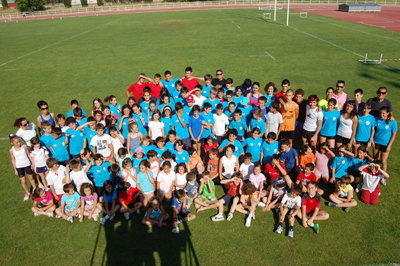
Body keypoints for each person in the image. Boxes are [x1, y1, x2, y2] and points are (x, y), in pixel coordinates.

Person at [9, 134, 36, 201]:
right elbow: (13, 159)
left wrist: (32, 163)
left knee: (31, 178)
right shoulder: (11, 150)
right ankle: (27, 192)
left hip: (27, 164)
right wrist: (15, 169)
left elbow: (29, 154)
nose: (19, 143)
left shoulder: (24, 146)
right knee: (23, 181)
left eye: (19, 141)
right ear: (12, 143)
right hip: (19, 167)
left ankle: (35, 189)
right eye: (17, 142)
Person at [372, 107, 397, 172]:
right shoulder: (377, 119)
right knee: (375, 159)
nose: (381, 115)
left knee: (383, 161)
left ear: (388, 113)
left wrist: (389, 146)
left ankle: (383, 177)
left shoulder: (392, 122)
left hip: (386, 144)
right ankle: (374, 173)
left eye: (383, 113)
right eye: (380, 113)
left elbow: (394, 135)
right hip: (376, 142)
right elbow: (373, 129)